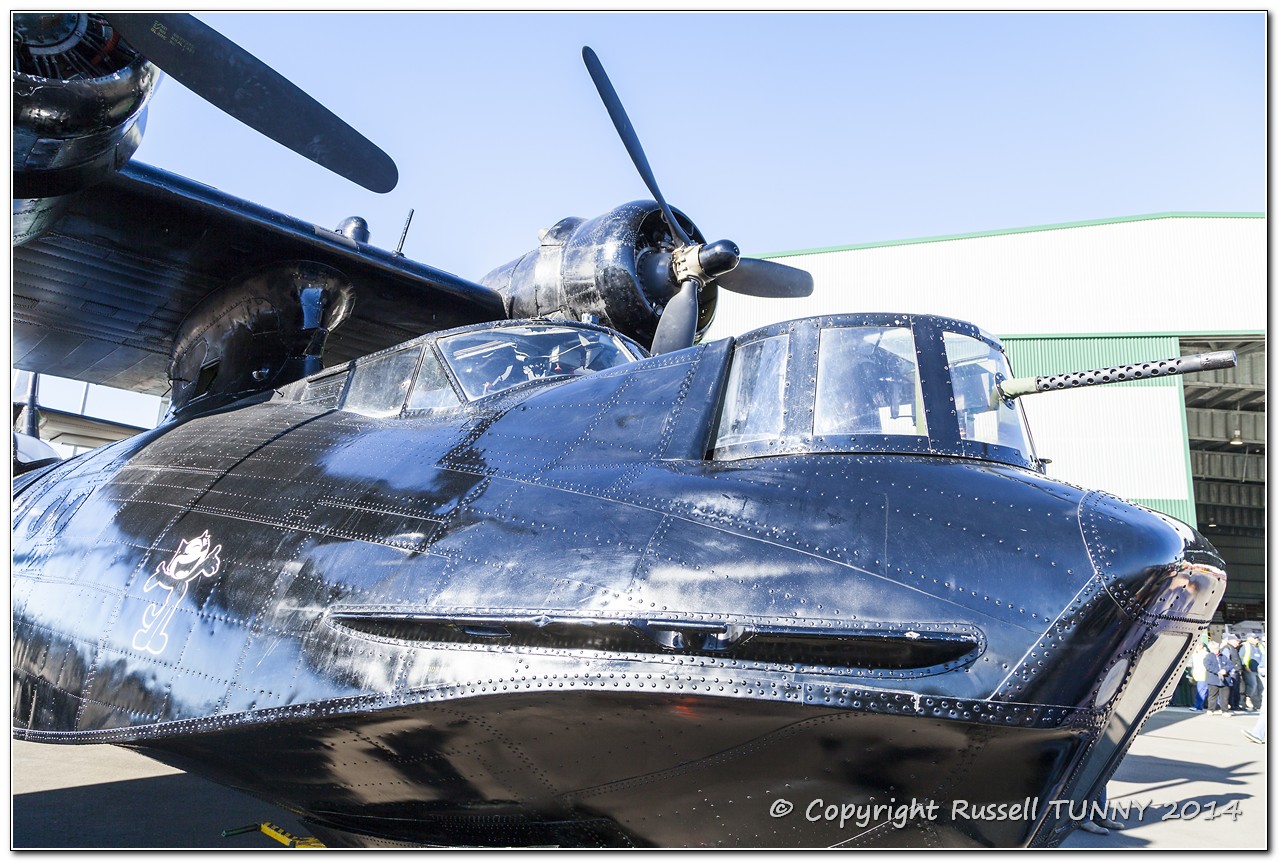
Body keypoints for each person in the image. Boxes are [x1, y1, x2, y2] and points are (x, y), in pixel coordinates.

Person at [1203, 640, 1231, 715]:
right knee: (1212, 696)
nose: (1216, 650)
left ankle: (1224, 711)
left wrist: (1225, 670)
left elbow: (1230, 664)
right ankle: (1211, 709)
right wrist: (1218, 671)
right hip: (1213, 679)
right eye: (1213, 649)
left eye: (1216, 648)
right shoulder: (1208, 657)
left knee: (1224, 697)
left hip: (1225, 680)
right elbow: (1208, 666)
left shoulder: (1223, 656)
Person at [1241, 633, 1264, 710]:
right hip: (1250, 669)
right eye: (1254, 638)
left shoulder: (1260, 646)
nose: (1256, 639)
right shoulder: (1245, 646)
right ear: (1249, 638)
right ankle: (1248, 699)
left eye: (1257, 638)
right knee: (1253, 685)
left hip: (1260, 670)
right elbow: (1241, 657)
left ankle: (1259, 703)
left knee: (1261, 687)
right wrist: (1245, 667)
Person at [1222, 634, 1244, 710]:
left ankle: (1236, 704)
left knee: (1237, 689)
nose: (1238, 642)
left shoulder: (1233, 648)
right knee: (1232, 690)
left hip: (1236, 672)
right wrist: (1231, 670)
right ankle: (1232, 705)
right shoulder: (1227, 648)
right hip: (1232, 673)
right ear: (1230, 640)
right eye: (1236, 640)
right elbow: (1226, 661)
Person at [1189, 641, 1209, 710]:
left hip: (1203, 675)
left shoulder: (1205, 654)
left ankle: (1198, 706)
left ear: (1201, 646)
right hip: (1196, 675)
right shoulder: (1195, 653)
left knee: (1201, 691)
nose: (1195, 647)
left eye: (1197, 645)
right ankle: (1198, 705)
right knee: (1199, 691)